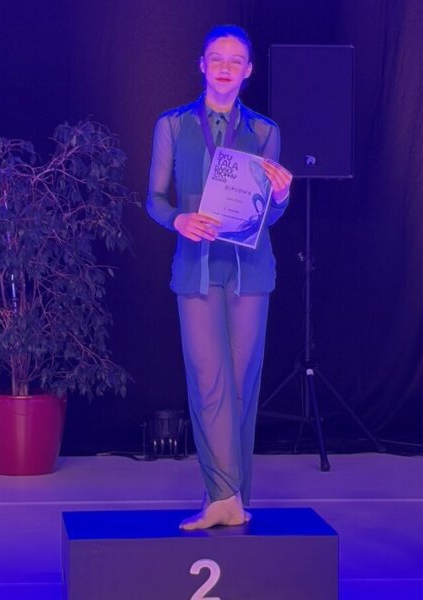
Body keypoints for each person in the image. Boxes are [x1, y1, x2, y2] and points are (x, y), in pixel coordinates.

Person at [146, 24, 293, 530]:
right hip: (196, 269)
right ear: (202, 65)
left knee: (242, 387)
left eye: (235, 60)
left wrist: (281, 196)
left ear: (248, 71)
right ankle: (221, 495)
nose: (225, 67)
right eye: (216, 58)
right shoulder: (172, 125)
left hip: (251, 272)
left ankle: (232, 499)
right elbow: (154, 199)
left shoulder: (265, 132)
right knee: (208, 382)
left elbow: (269, 214)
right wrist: (178, 220)